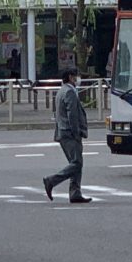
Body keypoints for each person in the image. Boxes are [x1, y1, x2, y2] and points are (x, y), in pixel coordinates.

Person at [42, 68, 93, 204]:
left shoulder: (61, 90)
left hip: (62, 131)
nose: (78, 79)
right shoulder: (70, 92)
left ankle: (75, 192)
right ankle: (51, 180)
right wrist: (76, 132)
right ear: (71, 77)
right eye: (77, 76)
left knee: (76, 162)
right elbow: (72, 114)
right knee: (77, 163)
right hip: (69, 133)